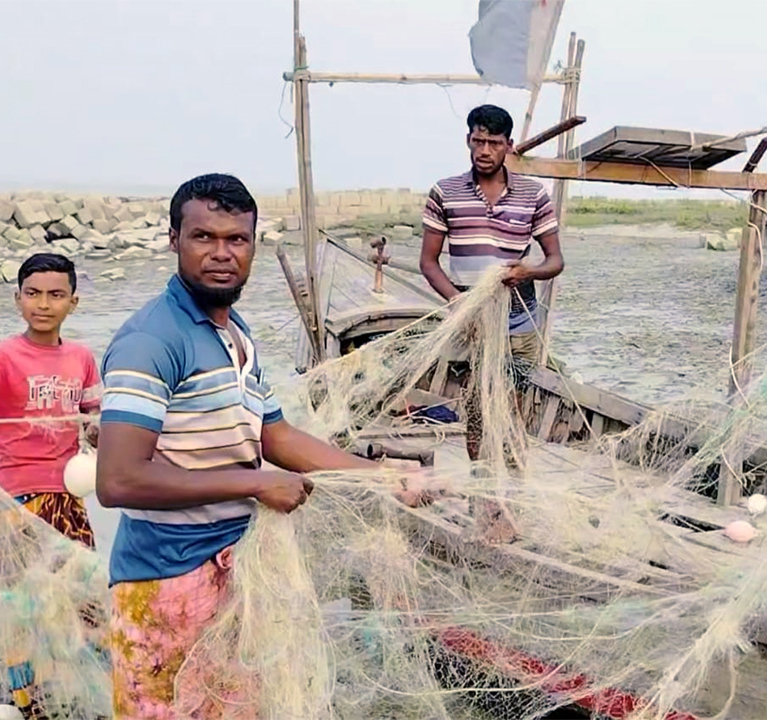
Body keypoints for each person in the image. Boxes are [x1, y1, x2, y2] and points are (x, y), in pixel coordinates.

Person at [96, 173, 442, 719]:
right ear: (172, 240)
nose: (221, 253)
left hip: (238, 567)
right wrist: (257, 481)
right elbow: (119, 480)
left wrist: (379, 477)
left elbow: (273, 434)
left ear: (254, 244)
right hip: (164, 579)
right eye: (203, 237)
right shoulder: (150, 341)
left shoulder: (236, 334)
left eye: (236, 239)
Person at [418, 104, 564, 541]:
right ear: (468, 140)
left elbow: (555, 260)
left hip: (520, 321)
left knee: (515, 410)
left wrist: (528, 271)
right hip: (473, 322)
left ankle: (512, 500)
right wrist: (458, 307)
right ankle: (484, 503)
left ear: (509, 147)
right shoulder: (445, 193)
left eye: (494, 143)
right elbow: (429, 263)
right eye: (478, 140)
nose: (485, 150)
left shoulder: (533, 195)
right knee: (480, 411)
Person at [0, 253, 101, 719]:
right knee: (22, 612)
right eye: (33, 294)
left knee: (83, 604)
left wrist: (105, 433)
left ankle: (78, 697)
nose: (44, 304)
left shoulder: (81, 358)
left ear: (73, 302)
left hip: (67, 502)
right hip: (14, 505)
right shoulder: (4, 356)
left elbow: (93, 424)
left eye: (56, 294)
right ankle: (26, 704)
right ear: (17, 299)